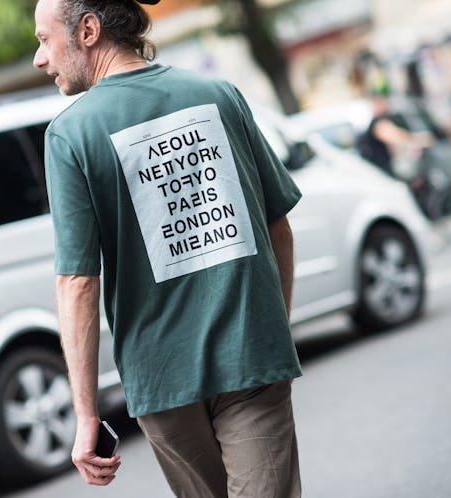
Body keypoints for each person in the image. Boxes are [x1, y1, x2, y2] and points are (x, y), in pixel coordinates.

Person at [32, 1, 303, 496]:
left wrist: (86, 413)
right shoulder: (218, 95)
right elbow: (277, 226)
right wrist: (271, 333)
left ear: (89, 30)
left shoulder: (70, 135)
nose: (39, 58)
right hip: (250, 355)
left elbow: (77, 282)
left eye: (45, 40)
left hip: (161, 378)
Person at [357, 91, 432, 177]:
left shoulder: (386, 118)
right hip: (382, 172)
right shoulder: (377, 123)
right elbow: (394, 136)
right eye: (380, 101)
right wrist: (418, 139)